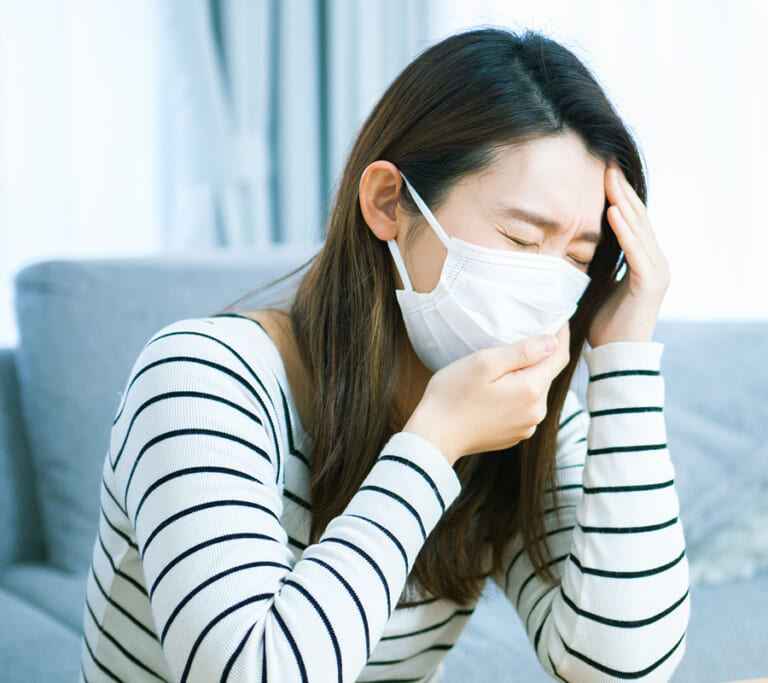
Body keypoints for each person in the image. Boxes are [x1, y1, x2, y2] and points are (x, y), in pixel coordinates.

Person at [79, 27, 689, 683]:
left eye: (577, 258)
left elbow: (622, 666)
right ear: (388, 202)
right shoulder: (200, 378)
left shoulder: (513, 414)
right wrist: (433, 444)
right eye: (519, 236)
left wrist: (625, 359)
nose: (548, 286)